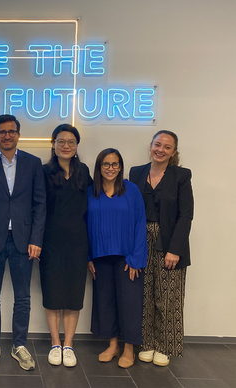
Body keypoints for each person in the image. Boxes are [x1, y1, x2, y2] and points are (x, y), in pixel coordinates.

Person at [0, 114, 46, 371]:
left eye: (11, 131)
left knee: (23, 297)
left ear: (18, 134)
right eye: (2, 132)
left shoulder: (33, 163)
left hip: (24, 241)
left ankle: (19, 345)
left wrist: (36, 239)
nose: (6, 136)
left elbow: (40, 204)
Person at [129, 130, 193, 367]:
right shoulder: (136, 172)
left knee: (167, 297)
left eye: (167, 147)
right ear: (150, 146)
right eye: (158, 144)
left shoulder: (181, 176)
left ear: (174, 152)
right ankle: (145, 343)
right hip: (140, 240)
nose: (161, 150)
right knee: (144, 294)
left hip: (170, 241)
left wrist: (175, 249)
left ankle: (164, 346)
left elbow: (186, 215)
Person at [87, 148, 147, 369]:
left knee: (129, 303)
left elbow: (140, 223)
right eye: (106, 164)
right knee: (105, 302)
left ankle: (129, 348)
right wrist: (88, 256)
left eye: (114, 164)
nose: (110, 168)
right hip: (100, 256)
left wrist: (136, 258)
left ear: (120, 166)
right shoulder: (91, 191)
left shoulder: (131, 190)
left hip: (127, 257)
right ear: (99, 167)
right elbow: (84, 224)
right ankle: (113, 345)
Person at [40, 124, 92, 368]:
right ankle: (55, 343)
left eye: (71, 142)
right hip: (50, 241)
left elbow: (93, 206)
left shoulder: (84, 171)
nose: (66, 146)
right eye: (61, 141)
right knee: (52, 293)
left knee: (73, 294)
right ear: (53, 144)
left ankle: (68, 344)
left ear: (77, 145)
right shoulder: (43, 172)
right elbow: (37, 208)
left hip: (78, 241)